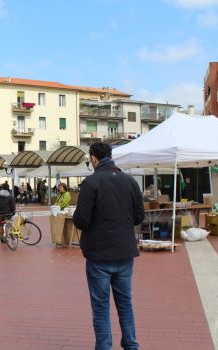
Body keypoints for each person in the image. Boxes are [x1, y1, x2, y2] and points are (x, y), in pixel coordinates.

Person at [72, 141, 144, 350]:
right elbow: (139, 217)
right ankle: (131, 345)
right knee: (125, 303)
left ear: (93, 157)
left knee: (101, 306)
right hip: (124, 253)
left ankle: (104, 347)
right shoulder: (130, 181)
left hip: (99, 255)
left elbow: (81, 220)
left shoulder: (91, 183)